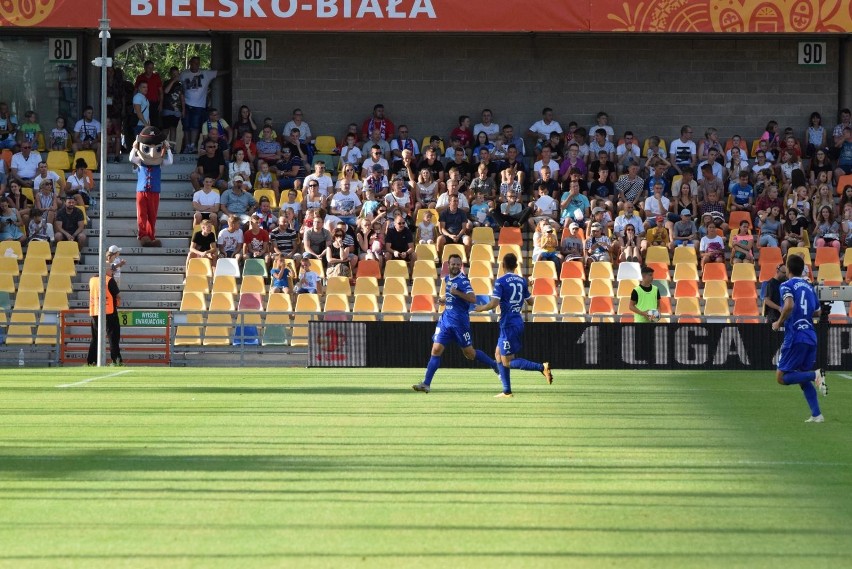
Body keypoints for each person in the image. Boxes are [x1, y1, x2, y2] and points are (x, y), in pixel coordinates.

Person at [412, 254, 497, 393]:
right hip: (445, 321)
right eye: (453, 264)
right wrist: (444, 299)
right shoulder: (447, 279)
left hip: (460, 323)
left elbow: (473, 298)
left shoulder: (463, 281)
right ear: (448, 265)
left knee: (469, 353)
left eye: (458, 264)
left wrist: (456, 292)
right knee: (436, 350)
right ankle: (426, 383)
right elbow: (451, 295)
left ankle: (494, 365)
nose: (456, 266)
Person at [473, 253, 553, 397]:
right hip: (516, 321)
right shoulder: (521, 281)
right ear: (516, 266)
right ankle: (507, 391)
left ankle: (541, 367)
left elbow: (494, 303)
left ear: (502, 265)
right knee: (498, 354)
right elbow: (530, 302)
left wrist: (480, 308)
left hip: (508, 324)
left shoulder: (501, 281)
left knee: (508, 361)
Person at [771, 255, 828, 423]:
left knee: (781, 377)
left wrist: (778, 322)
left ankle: (815, 375)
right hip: (810, 335)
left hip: (795, 336)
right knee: (801, 377)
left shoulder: (786, 285)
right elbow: (817, 312)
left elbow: (789, 305)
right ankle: (817, 415)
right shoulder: (809, 286)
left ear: (788, 268)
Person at [180, 56, 227, 154]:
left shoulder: (205, 73)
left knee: (195, 126)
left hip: (199, 105)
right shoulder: (184, 74)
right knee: (186, 126)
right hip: (186, 104)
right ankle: (187, 146)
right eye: (194, 63)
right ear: (190, 63)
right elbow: (176, 83)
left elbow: (218, 73)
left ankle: (193, 145)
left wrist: (231, 69)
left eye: (198, 63)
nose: (196, 65)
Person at [87, 265, 122, 366]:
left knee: (95, 338)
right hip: (109, 311)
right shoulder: (109, 280)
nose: (112, 271)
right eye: (111, 269)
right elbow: (117, 295)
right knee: (113, 338)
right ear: (105, 270)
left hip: (95, 311)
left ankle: (91, 361)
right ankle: (116, 361)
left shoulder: (92, 280)